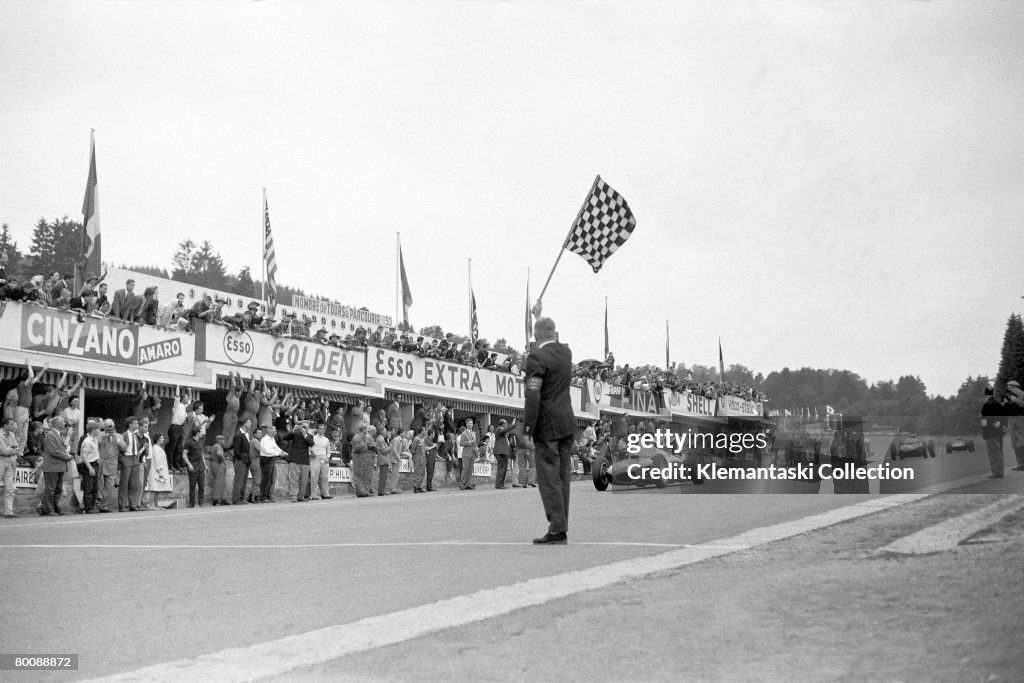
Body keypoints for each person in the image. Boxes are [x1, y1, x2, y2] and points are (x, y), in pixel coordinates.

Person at [522, 315, 576, 545]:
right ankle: (560, 525)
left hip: (546, 425)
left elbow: (533, 394)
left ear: (535, 335)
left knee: (549, 478)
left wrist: (528, 428)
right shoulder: (566, 353)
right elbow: (551, 341)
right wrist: (540, 317)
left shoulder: (536, 358)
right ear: (555, 333)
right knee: (563, 477)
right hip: (566, 422)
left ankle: (557, 528)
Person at [40, 416, 73, 515]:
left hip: (59, 466)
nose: (64, 424)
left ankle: (55, 507)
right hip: (52, 466)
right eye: (62, 422)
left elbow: (60, 449)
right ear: (57, 424)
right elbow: (54, 451)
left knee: (58, 489)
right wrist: (67, 456)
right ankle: (49, 509)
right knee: (50, 489)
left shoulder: (58, 434)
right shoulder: (50, 435)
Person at [119, 417, 146, 512]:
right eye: (135, 423)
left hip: (135, 459)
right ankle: (122, 505)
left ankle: (133, 504)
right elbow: (120, 449)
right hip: (127, 458)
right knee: (124, 483)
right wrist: (123, 460)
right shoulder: (124, 435)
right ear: (130, 425)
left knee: (134, 484)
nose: (137, 425)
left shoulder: (135, 435)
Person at [981, 387, 1006, 479]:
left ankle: (996, 472)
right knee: (999, 452)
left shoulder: (986, 404)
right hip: (999, 431)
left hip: (990, 432)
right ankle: (1000, 472)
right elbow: (1004, 417)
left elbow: (984, 420)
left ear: (985, 393)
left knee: (993, 453)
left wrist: (984, 432)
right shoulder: (997, 404)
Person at [0, 417, 21, 517]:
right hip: (1, 461)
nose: (13, 426)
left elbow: (17, 448)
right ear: (5, 425)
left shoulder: (12, 434)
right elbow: (3, 451)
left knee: (10, 488)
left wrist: (11, 449)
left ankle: (8, 511)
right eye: (11, 424)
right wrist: (12, 449)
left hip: (9, 462)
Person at [259, 425, 286, 502]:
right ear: (269, 431)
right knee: (265, 479)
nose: (275, 432)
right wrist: (278, 453)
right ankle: (263, 496)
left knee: (271, 479)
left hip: (271, 459)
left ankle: (268, 495)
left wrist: (283, 452)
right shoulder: (265, 440)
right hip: (266, 460)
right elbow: (267, 450)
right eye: (274, 431)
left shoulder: (272, 439)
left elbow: (276, 447)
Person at [230, 418, 254, 505]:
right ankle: (236, 498)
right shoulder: (238, 434)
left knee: (244, 480)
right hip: (240, 460)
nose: (250, 424)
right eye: (249, 422)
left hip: (245, 460)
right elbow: (236, 450)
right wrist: (243, 458)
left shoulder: (246, 434)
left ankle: (241, 497)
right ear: (244, 423)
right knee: (239, 480)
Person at [146, 433, 173, 509]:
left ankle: (156, 505)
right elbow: (157, 461)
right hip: (156, 472)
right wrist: (160, 471)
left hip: (159, 471)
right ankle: (150, 505)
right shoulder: (155, 448)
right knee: (154, 489)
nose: (163, 439)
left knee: (157, 489)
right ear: (157, 439)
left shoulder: (159, 448)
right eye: (161, 438)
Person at [309, 422, 333, 501]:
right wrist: (311, 453)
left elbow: (328, 451)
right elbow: (309, 448)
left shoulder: (326, 439)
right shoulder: (313, 438)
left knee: (324, 478)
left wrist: (327, 457)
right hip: (315, 458)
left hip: (324, 459)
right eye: (320, 429)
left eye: (323, 429)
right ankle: (314, 495)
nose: (321, 430)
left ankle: (325, 494)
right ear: (317, 430)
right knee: (314, 477)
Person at [350, 424, 374, 498]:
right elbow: (356, 448)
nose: (367, 430)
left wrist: (371, 446)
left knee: (364, 474)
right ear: (362, 429)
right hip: (357, 456)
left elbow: (366, 446)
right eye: (365, 429)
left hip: (363, 456)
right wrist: (363, 444)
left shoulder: (364, 437)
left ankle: (364, 490)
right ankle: (360, 491)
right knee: (358, 474)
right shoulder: (357, 437)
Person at [184, 425, 205, 507]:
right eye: (201, 431)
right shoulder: (189, 442)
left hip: (201, 465)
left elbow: (201, 454)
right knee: (192, 485)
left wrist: (205, 465)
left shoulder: (200, 442)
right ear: (197, 433)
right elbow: (184, 455)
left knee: (201, 485)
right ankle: (191, 503)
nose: (202, 433)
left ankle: (201, 502)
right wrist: (189, 465)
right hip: (193, 465)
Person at [1005, 380, 1024, 471]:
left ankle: (1022, 464)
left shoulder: (1022, 394)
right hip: (1012, 420)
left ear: (1014, 387)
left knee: (1021, 442)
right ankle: (1020, 464)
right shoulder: (1009, 396)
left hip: (1020, 419)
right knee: (1015, 443)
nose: (1008, 389)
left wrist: (1015, 400)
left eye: (1009, 387)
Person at [493, 419, 515, 489]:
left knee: (504, 468)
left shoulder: (502, 430)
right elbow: (504, 430)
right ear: (503, 424)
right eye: (506, 424)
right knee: (501, 468)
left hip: (503, 451)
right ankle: (499, 484)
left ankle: (501, 483)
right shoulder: (499, 429)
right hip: (500, 452)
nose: (506, 425)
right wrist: (513, 425)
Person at [208, 434, 230, 506]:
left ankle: (221, 498)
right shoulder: (218, 446)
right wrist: (224, 458)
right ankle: (217, 499)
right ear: (219, 440)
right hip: (219, 464)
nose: (224, 441)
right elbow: (219, 455)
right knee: (219, 483)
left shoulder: (215, 446)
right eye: (222, 440)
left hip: (215, 464)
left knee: (221, 482)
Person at [458, 419, 478, 490]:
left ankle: (468, 484)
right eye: (469, 423)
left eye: (471, 423)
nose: (470, 425)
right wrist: (469, 442)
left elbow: (474, 444)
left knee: (470, 470)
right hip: (466, 453)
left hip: (472, 453)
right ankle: (462, 483)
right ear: (466, 425)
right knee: (465, 469)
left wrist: (476, 452)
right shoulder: (464, 433)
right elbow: (461, 443)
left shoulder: (474, 433)